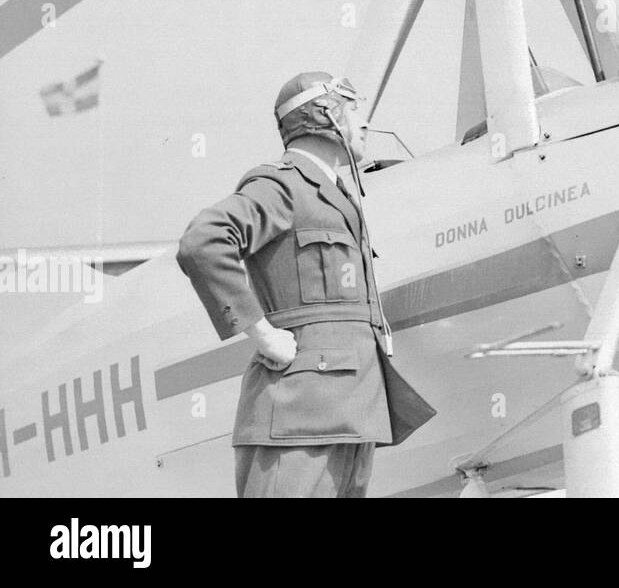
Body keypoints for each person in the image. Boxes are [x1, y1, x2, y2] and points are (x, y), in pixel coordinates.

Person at [176, 71, 436, 497]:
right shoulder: (284, 185)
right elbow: (203, 241)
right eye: (354, 109)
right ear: (324, 115)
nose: (364, 122)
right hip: (299, 413)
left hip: (353, 411)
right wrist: (262, 334)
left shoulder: (334, 193)